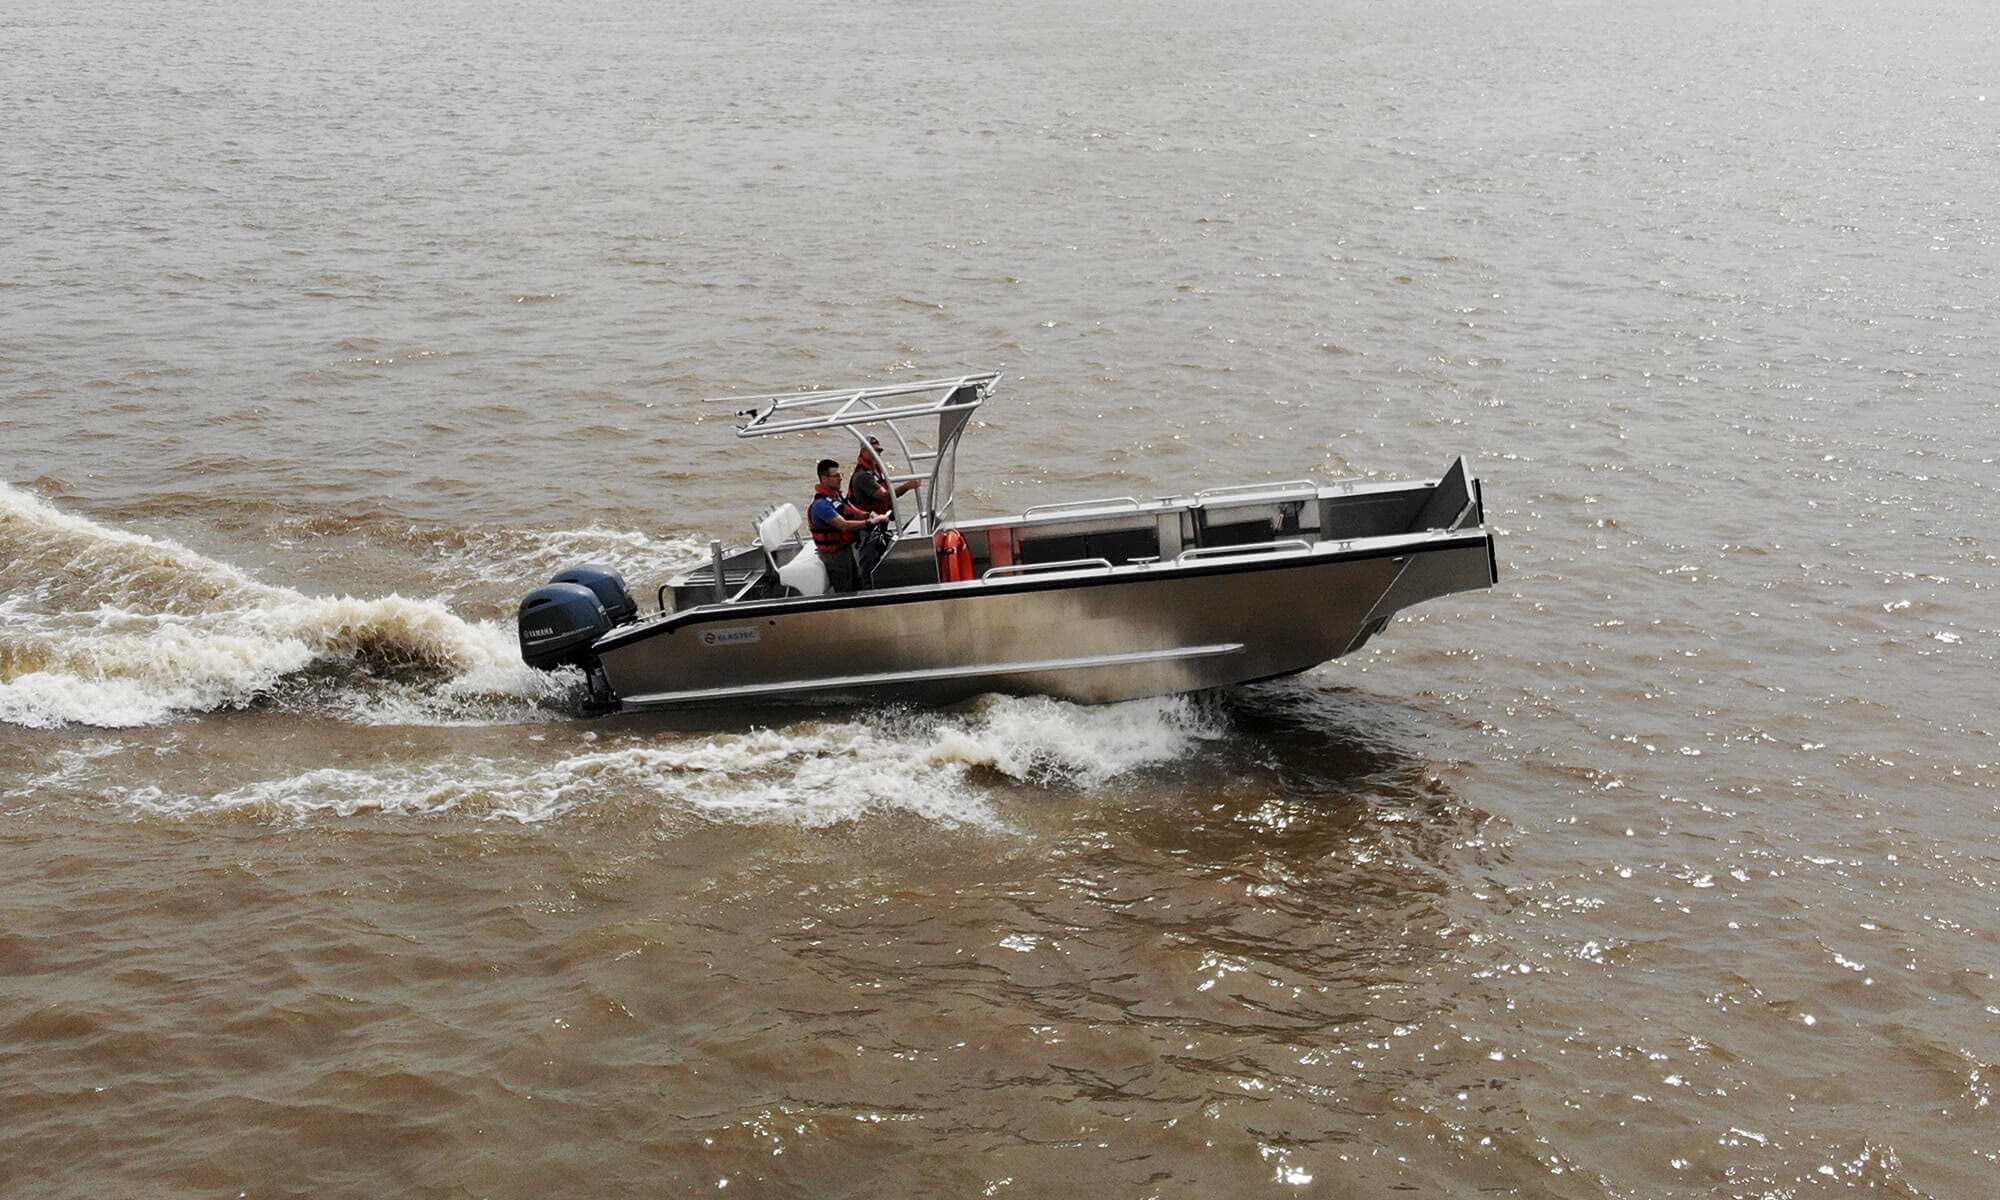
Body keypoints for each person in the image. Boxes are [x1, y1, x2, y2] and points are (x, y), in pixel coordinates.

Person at [808, 458, 887, 593]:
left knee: (857, 583)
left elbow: (852, 511)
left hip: (844, 549)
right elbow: (844, 526)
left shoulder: (836, 497)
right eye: (836, 476)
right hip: (834, 556)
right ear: (824, 478)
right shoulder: (822, 505)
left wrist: (869, 515)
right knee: (846, 590)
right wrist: (868, 523)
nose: (840, 479)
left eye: (841, 475)